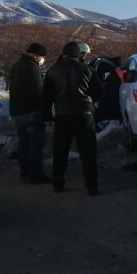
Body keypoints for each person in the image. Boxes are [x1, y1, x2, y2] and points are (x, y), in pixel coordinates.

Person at [42, 41, 104, 196]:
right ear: (78, 54)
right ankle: (92, 186)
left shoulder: (53, 70)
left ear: (64, 53)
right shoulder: (87, 69)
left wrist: (47, 116)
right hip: (84, 114)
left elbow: (46, 97)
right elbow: (100, 91)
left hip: (62, 115)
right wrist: (90, 99)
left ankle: (58, 184)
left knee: (60, 151)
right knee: (88, 153)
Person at [8, 43, 51, 184]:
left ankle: (24, 172)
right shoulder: (32, 67)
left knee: (23, 143)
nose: (42, 60)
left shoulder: (16, 66)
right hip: (32, 111)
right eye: (42, 57)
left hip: (17, 110)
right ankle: (36, 174)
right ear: (36, 56)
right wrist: (45, 109)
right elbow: (38, 91)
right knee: (35, 144)